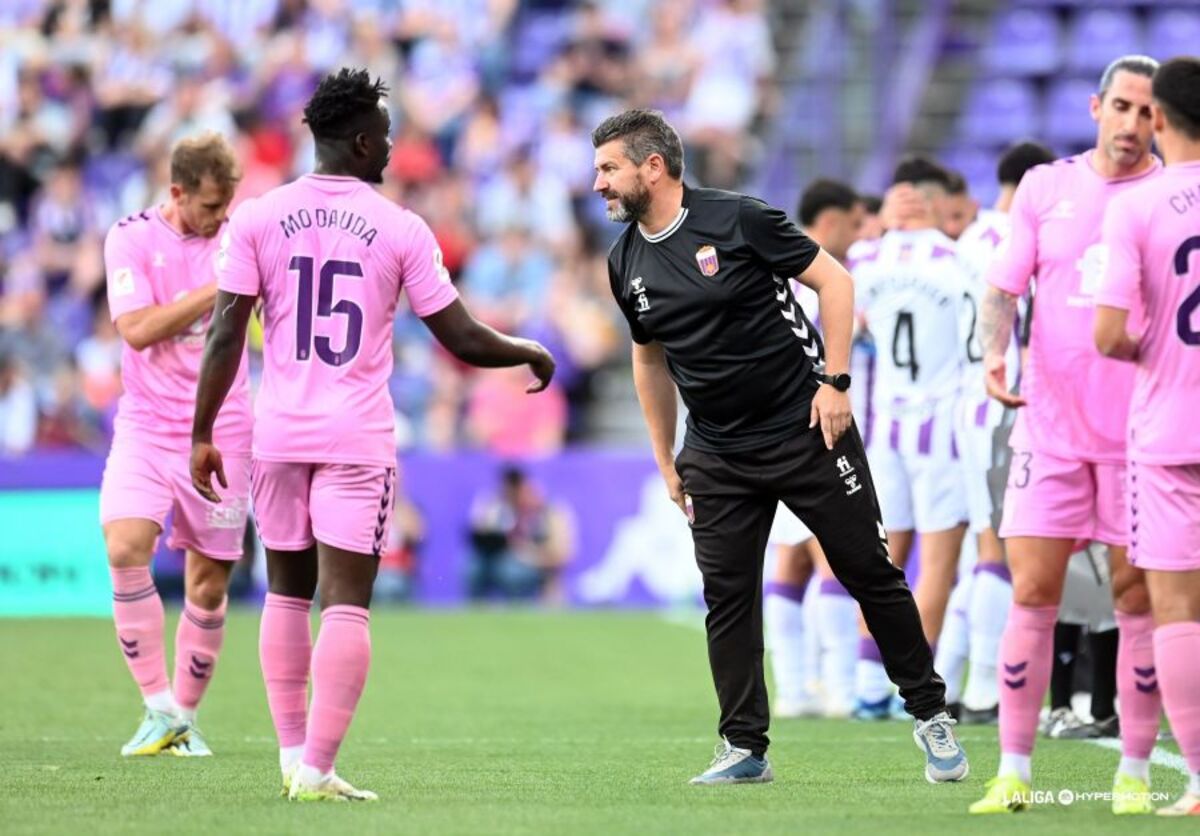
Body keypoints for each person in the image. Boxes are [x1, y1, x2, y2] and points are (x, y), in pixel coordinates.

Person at [190, 68, 555, 802]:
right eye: (385, 136)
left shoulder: (260, 216)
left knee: (286, 595)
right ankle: (319, 768)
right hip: (356, 437)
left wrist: (203, 432)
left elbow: (226, 331)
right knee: (347, 604)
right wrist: (525, 349)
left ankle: (293, 757)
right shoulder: (399, 226)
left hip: (279, 435)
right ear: (360, 141)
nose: (391, 147)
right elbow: (458, 336)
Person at [593, 108, 966, 786]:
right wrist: (665, 455)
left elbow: (836, 282)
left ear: (653, 167)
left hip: (806, 430)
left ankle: (931, 713)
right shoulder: (623, 261)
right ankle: (743, 746)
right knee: (727, 595)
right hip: (715, 450)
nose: (599, 184)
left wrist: (836, 381)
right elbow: (649, 360)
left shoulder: (739, 218)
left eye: (609, 168)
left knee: (868, 573)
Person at [969, 55, 1162, 816]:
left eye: (1147, 112)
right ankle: (1013, 770)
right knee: (1033, 591)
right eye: (1120, 106)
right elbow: (1003, 283)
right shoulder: (1048, 187)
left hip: (1138, 440)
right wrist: (993, 351)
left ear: (1163, 120)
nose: (1130, 124)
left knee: (1134, 597)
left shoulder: (1178, 198)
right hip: (1048, 433)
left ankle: (1136, 778)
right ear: (1094, 107)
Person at [99, 132, 250, 758]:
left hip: (224, 425)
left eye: (227, 206)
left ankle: (183, 720)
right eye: (211, 207)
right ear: (177, 193)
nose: (220, 220)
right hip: (147, 425)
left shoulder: (240, 237)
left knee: (209, 585)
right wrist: (216, 291)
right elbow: (136, 330)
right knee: (125, 544)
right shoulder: (129, 238)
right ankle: (157, 706)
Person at [1093, 55, 1200, 817]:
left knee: (1176, 611)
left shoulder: (1135, 207)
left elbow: (1106, 334)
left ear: (1158, 118)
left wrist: (1153, 346)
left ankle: (1198, 780)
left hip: (1168, 428)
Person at [851, 156, 968, 719]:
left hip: (882, 425)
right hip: (941, 428)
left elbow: (854, 322)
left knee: (881, 559)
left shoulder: (866, 257)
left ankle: (869, 681)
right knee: (939, 564)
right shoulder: (957, 256)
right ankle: (919, 688)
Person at [950, 141, 1055, 725]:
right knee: (1004, 552)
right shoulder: (1021, 237)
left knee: (981, 550)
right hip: (1010, 406)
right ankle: (988, 690)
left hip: (971, 407)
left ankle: (963, 676)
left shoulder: (970, 238)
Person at [764, 177, 863, 719]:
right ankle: (842, 686)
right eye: (853, 222)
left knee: (792, 560)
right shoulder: (816, 275)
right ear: (829, 222)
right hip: (817, 428)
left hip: (777, 430)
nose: (859, 234)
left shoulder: (774, 269)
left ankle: (796, 688)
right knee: (833, 555)